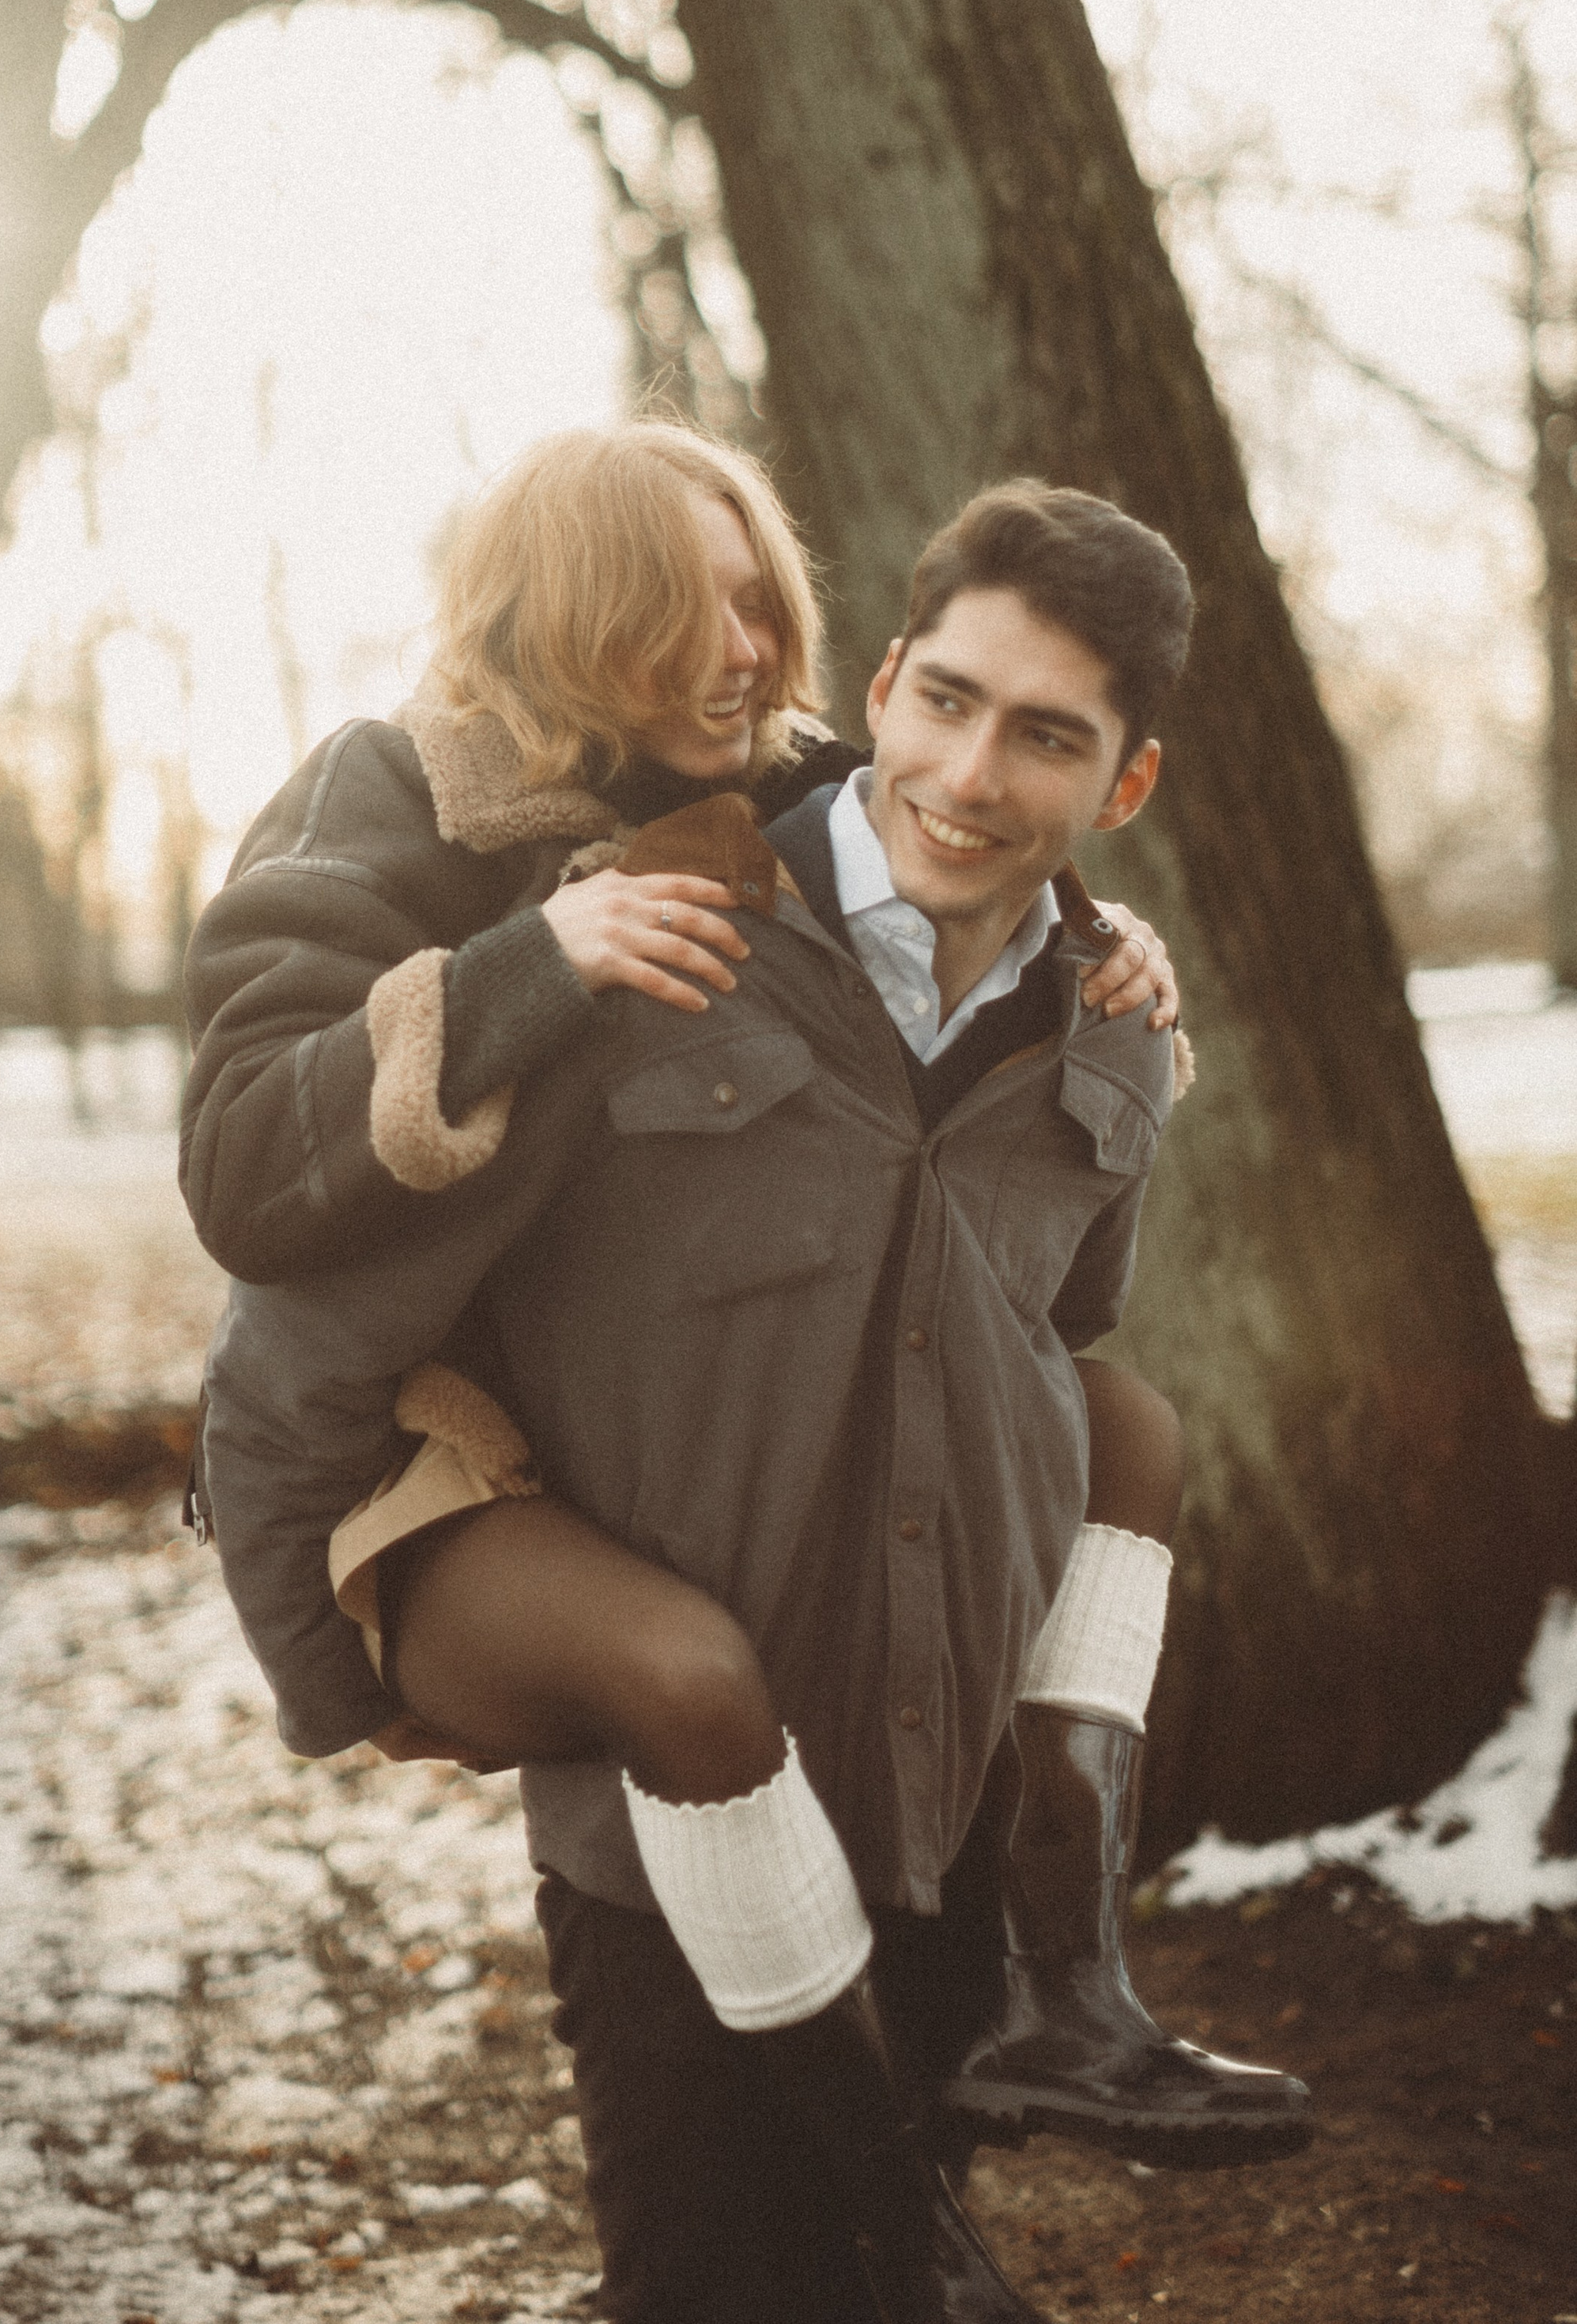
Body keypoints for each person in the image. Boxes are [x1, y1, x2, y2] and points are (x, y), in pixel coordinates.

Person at [185, 455, 1305, 2319]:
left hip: (856, 1630)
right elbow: (254, 1198)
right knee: (687, 1693)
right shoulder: (426, 813)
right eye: (665, 608)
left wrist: (1103, 955)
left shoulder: (782, 805)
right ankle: (908, 2217)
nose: (729, 652)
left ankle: (1063, 1985)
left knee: (1125, 1429)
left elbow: (959, 836)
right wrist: (526, 967)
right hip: (449, 1455)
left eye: (756, 605)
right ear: (546, 621)